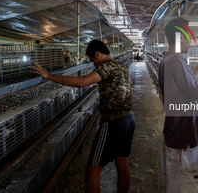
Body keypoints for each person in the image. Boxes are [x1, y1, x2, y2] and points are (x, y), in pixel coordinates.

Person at [30, 40, 135, 193]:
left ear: (97, 54)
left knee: (92, 171)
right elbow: (130, 94)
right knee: (122, 166)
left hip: (113, 122)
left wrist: (48, 75)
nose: (94, 65)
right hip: (129, 119)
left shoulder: (106, 67)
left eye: (93, 60)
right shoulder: (122, 67)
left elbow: (81, 82)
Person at [158, 17, 198, 193]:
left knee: (174, 181)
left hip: (175, 130)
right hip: (183, 134)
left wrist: (196, 69)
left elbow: (181, 86)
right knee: (189, 183)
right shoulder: (176, 61)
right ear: (180, 37)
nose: (190, 40)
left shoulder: (167, 60)